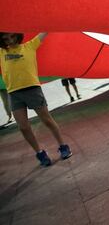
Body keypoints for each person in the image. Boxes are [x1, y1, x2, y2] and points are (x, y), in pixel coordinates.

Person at [0, 32, 72, 167]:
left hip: (32, 89)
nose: (9, 40)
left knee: (47, 120)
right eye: (5, 38)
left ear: (16, 36)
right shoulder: (1, 52)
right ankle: (40, 153)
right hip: (14, 93)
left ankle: (63, 146)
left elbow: (45, 31)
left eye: (11, 36)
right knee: (23, 127)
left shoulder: (30, 46)